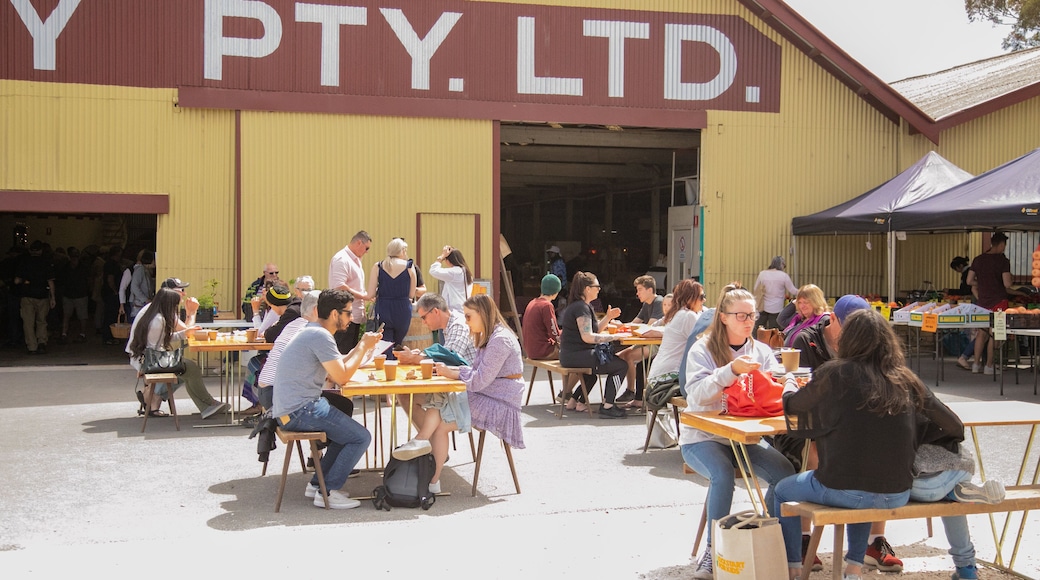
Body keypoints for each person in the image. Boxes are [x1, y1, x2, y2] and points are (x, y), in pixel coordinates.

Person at [774, 309, 921, 580]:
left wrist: (789, 382)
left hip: (845, 488)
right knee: (864, 483)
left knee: (783, 491)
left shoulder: (837, 374)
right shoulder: (903, 378)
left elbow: (794, 407)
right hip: (898, 490)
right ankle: (852, 569)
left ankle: (793, 567)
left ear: (849, 339)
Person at [681, 283, 796, 580]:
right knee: (721, 475)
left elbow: (770, 394)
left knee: (785, 473)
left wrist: (788, 383)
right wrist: (731, 371)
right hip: (703, 438)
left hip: (744, 438)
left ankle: (762, 533)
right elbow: (695, 395)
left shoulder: (761, 350)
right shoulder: (703, 348)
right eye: (741, 316)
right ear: (723, 317)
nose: (749, 322)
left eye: (752, 316)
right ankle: (713, 551)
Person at [271, 289, 381, 509]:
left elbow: (334, 370)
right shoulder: (320, 335)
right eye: (348, 313)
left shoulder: (313, 331)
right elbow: (340, 376)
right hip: (300, 410)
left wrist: (363, 350)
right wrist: (362, 346)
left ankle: (317, 485)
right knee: (360, 437)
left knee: (346, 434)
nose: (351, 318)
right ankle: (327, 491)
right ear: (334, 314)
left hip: (292, 407)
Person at [422, 294, 526, 493]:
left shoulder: (500, 340)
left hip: (500, 403)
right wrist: (453, 372)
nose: (466, 321)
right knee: (440, 404)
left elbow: (479, 381)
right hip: (489, 395)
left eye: (469, 317)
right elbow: (476, 373)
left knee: (441, 419)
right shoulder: (489, 335)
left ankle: (423, 458)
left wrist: (454, 373)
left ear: (483, 314)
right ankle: (427, 468)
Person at [126, 288, 229, 418]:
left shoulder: (153, 314)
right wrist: (187, 325)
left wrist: (184, 334)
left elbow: (164, 338)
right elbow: (158, 348)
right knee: (189, 368)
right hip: (151, 361)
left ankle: (206, 406)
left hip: (146, 358)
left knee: (188, 370)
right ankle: (208, 403)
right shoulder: (159, 320)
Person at [558, 271, 628, 418]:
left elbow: (595, 330)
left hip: (571, 355)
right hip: (576, 355)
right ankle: (608, 406)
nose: (599, 289)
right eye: (597, 286)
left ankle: (574, 401)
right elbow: (588, 337)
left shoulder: (582, 306)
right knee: (621, 365)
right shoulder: (581, 308)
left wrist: (608, 317)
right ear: (587, 289)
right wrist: (613, 337)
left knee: (593, 374)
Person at [966, 232, 1023, 374]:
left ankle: (976, 364)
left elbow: (969, 281)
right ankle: (989, 366)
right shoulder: (1003, 261)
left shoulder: (978, 259)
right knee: (994, 333)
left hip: (982, 302)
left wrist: (983, 282)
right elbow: (1007, 284)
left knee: (981, 333)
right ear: (1002, 244)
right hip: (999, 302)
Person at [615, 275, 665, 406]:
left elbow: (648, 328)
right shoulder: (646, 305)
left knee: (629, 356)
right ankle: (629, 391)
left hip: (656, 343)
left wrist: (628, 328)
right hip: (646, 341)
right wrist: (621, 326)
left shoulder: (659, 302)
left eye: (640, 290)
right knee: (620, 356)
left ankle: (631, 391)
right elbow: (635, 323)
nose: (637, 293)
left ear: (650, 290)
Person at [366, 237, 417, 353]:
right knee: (398, 343)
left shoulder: (378, 266)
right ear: (403, 250)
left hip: (384, 307)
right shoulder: (409, 266)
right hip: (402, 308)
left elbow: (371, 294)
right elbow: (411, 293)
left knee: (385, 343)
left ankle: (387, 364)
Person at [329, 231, 373, 354]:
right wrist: (364, 296)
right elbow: (340, 286)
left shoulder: (355, 260)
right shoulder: (342, 259)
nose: (367, 251)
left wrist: (364, 296)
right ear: (359, 242)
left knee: (350, 352)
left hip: (353, 315)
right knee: (342, 352)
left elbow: (353, 286)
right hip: (344, 315)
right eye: (366, 248)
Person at [14, 240, 56, 355]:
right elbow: (51, 282)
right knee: (42, 321)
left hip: (27, 296)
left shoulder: (24, 262)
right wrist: (53, 297)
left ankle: (32, 346)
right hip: (42, 296)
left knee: (28, 322)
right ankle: (42, 342)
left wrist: (24, 281)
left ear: (30, 250)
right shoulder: (46, 262)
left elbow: (16, 280)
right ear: (41, 250)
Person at [522, 274, 562, 361]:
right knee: (574, 355)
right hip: (543, 351)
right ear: (556, 291)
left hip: (530, 350)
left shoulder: (532, 303)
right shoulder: (546, 305)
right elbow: (554, 333)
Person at [753, 256, 798, 332]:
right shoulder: (784, 276)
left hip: (762, 306)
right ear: (781, 264)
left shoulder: (762, 274)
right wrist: (805, 291)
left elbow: (755, 288)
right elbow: (793, 291)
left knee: (758, 330)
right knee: (773, 332)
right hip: (777, 308)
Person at [57, 246, 91, 343]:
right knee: (69, 315)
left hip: (79, 294)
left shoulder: (80, 267)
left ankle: (81, 334)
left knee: (80, 316)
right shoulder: (67, 267)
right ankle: (65, 334)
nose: (74, 258)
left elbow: (88, 280)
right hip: (71, 294)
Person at [780, 284, 828, 348]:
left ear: (816, 302)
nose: (802, 306)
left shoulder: (824, 320)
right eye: (799, 302)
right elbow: (781, 319)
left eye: (806, 302)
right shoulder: (799, 319)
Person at [429, 245, 473, 315]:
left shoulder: (454, 272)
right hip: (464, 308)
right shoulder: (466, 272)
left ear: (449, 260)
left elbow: (433, 271)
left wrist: (441, 257)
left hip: (454, 311)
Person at [101, 245, 124, 345]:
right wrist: (115, 291)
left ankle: (110, 336)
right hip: (111, 293)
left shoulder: (109, 263)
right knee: (110, 315)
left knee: (110, 315)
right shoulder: (112, 265)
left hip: (108, 292)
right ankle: (108, 337)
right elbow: (110, 279)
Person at [128, 250, 155, 319]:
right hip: (138, 304)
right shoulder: (140, 270)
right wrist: (145, 299)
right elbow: (134, 286)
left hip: (141, 303)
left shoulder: (145, 271)